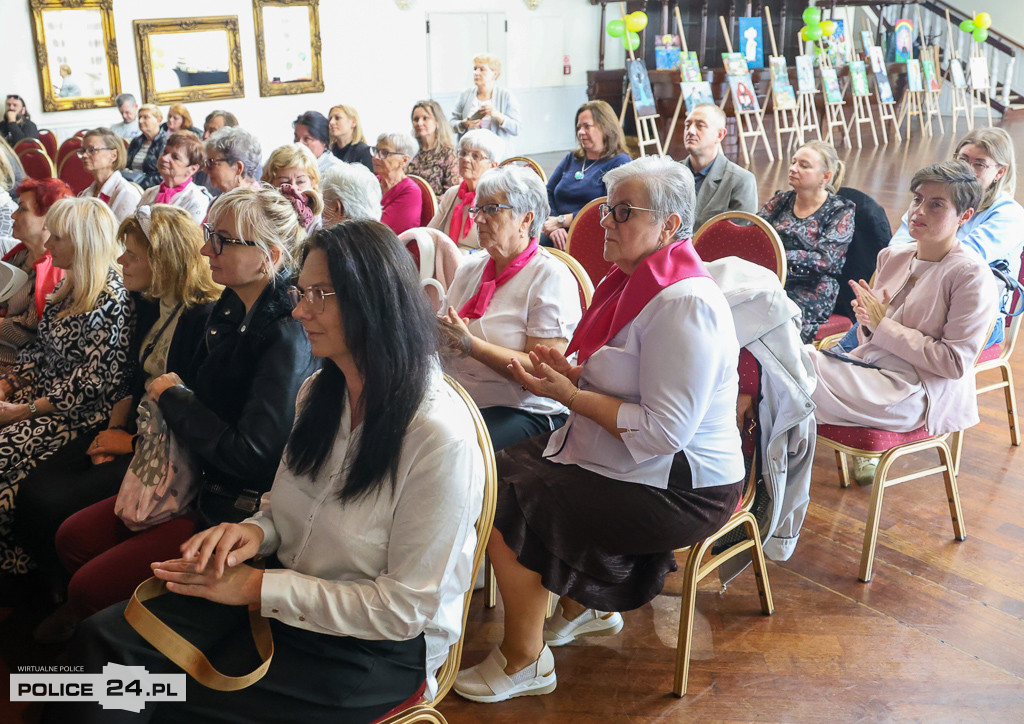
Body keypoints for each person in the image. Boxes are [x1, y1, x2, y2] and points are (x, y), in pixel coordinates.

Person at [45, 220, 484, 724]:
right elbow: (285, 502)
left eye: (321, 294)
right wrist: (253, 531)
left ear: (375, 301)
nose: (300, 309)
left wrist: (255, 588)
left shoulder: (437, 437)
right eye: (303, 291)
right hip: (288, 594)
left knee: (150, 696)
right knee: (102, 643)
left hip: (372, 650)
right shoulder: (321, 392)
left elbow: (404, 611)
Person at [453, 156, 745, 703]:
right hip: (624, 454)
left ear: (669, 227)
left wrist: (571, 395)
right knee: (498, 467)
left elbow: (664, 432)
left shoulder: (685, 303)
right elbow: (631, 377)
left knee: (507, 498)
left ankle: (525, 659)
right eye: (609, 208)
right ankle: (581, 609)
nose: (604, 221)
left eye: (622, 211)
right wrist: (574, 373)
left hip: (683, 486)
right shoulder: (633, 280)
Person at [53, 186, 316, 620]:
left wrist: (173, 398)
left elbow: (253, 455)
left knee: (88, 585)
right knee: (73, 537)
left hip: (234, 504)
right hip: (193, 475)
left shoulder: (286, 334)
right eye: (210, 232)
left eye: (222, 240)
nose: (204, 247)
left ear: (268, 254)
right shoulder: (229, 304)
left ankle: (123, 636)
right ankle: (110, 621)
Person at [15, 205, 221, 631]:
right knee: (39, 491)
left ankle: (72, 601)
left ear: (163, 261)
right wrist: (114, 428)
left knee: (50, 499)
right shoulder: (147, 302)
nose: (121, 260)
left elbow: (197, 416)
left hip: (171, 451)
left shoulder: (202, 319)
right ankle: (47, 587)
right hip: (135, 428)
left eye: (131, 254)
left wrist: (126, 443)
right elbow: (130, 377)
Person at [810, 161, 996, 440]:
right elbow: (870, 341)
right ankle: (764, 475)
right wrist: (868, 324)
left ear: (965, 216)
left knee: (786, 372)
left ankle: (756, 475)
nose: (919, 211)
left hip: (915, 394)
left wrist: (882, 324)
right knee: (780, 371)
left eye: (936, 205)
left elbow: (954, 363)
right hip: (868, 372)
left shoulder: (971, 275)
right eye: (918, 199)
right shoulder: (892, 256)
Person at [0, 197, 132, 577]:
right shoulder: (65, 287)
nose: (49, 242)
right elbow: (41, 351)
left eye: (58, 237)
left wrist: (22, 411)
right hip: (42, 397)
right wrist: (10, 383)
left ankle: (21, 567)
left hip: (75, 415)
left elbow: (94, 383)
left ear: (84, 243)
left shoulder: (111, 298)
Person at [442, 166, 582, 451]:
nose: (478, 218)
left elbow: (543, 370)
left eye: (492, 209)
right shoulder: (470, 267)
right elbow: (445, 329)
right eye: (477, 208)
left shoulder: (550, 276)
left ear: (526, 219)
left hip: (524, 409)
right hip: (459, 395)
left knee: (456, 450)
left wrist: (472, 346)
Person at [889, 128, 1024, 345]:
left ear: (1000, 172)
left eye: (979, 163)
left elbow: (960, 262)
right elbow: (894, 250)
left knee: (887, 342)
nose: (967, 169)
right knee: (866, 339)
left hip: (975, 319)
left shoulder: (1010, 214)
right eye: (963, 159)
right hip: (915, 300)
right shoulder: (932, 198)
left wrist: (920, 253)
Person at [757, 140, 855, 342]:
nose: (793, 169)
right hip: (772, 280)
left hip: (811, 290)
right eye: (793, 162)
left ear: (825, 177)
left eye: (804, 165)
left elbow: (824, 260)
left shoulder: (840, 210)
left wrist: (777, 255)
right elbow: (754, 235)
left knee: (769, 320)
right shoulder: (781, 200)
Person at [0, 178, 74, 372]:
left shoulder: (57, 270)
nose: (14, 215)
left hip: (16, 366)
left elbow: (30, 334)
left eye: (23, 209)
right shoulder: (19, 254)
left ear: (48, 220)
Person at [541, 100, 631, 249]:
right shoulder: (572, 159)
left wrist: (562, 220)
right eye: (579, 127)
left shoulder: (620, 163)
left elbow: (609, 206)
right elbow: (547, 192)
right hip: (556, 234)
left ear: (605, 127)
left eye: (587, 126)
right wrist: (554, 225)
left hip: (591, 237)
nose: (580, 132)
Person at [681, 103, 758, 230]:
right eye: (687, 125)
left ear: (720, 135)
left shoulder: (741, 181)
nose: (690, 131)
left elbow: (737, 236)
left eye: (700, 126)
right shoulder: (671, 174)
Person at [428, 129, 501, 252]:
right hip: (445, 257)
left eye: (475, 156)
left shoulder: (496, 200)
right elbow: (430, 232)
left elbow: (494, 250)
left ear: (492, 166)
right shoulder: (453, 194)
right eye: (463, 153)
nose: (466, 159)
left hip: (475, 264)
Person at [137, 131, 212, 224]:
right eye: (165, 152)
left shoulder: (196, 200)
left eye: (175, 157)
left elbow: (189, 237)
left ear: (192, 169)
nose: (164, 158)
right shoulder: (150, 193)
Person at [451, 53, 521, 146]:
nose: (476, 73)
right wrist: (464, 124)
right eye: (475, 69)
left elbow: (516, 129)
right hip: (469, 153)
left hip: (498, 156)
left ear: (494, 74)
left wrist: (497, 115)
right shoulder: (465, 94)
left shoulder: (506, 95)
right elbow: (450, 125)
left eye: (482, 69)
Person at [77, 127, 143, 223]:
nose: (84, 155)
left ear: (113, 155)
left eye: (92, 150)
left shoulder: (126, 194)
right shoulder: (87, 192)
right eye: (83, 150)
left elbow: (120, 236)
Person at [408, 99, 461, 196]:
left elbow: (452, 193)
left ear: (437, 121)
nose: (419, 123)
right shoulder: (410, 151)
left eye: (425, 118)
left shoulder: (447, 153)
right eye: (416, 119)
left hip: (437, 208)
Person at [373, 132, 421, 235]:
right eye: (376, 151)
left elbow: (381, 230)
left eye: (384, 153)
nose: (376, 157)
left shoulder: (411, 192)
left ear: (404, 160)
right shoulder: (373, 182)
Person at [320, 162, 382, 228]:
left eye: (322, 207)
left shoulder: (326, 237)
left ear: (337, 209)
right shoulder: (385, 236)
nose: (320, 215)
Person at [203, 126, 262, 194]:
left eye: (211, 162)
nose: (206, 170)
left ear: (238, 168)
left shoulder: (255, 203)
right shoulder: (225, 197)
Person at [123, 104, 168, 189]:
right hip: (132, 186)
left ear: (158, 120)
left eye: (145, 117)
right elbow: (125, 166)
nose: (140, 121)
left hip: (152, 188)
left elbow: (164, 175)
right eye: (139, 117)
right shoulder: (136, 141)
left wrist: (139, 184)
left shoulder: (166, 142)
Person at [294, 110, 341, 177]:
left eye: (307, 139)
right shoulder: (294, 165)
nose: (299, 143)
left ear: (324, 141)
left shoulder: (335, 171)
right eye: (296, 137)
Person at [328, 103, 373, 172]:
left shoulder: (364, 152)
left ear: (353, 122)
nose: (331, 122)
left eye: (337, 118)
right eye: (330, 119)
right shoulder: (329, 151)